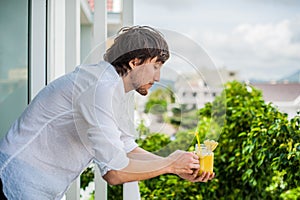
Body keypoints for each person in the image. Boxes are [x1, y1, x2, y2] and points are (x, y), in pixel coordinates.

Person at [0, 26, 214, 199]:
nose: (158, 78)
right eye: (156, 66)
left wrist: (174, 166)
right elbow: (114, 172)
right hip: (14, 183)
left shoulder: (113, 88)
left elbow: (127, 149)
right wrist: (169, 164)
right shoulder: (99, 88)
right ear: (134, 61)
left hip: (38, 187)